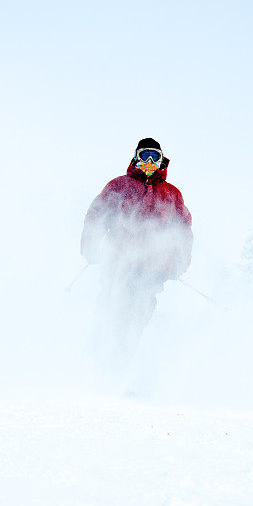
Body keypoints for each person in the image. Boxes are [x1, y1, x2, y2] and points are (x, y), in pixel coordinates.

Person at [81, 138, 193, 365]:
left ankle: (118, 365)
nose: (149, 162)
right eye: (144, 156)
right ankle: (95, 359)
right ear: (135, 158)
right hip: (119, 261)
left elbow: (182, 230)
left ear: (162, 162)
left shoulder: (171, 194)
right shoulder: (120, 186)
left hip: (153, 267)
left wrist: (179, 263)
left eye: (155, 157)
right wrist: (91, 247)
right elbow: (97, 214)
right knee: (114, 305)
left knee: (138, 313)